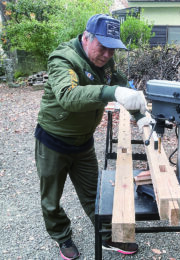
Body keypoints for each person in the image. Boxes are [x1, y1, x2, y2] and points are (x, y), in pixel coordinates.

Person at [34, 14, 151, 260]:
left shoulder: (105, 60)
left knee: (94, 194)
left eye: (112, 49)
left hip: (83, 143)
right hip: (53, 141)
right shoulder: (63, 58)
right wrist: (112, 91)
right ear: (87, 38)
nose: (108, 54)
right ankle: (61, 235)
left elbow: (119, 84)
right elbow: (68, 95)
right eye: (103, 47)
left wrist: (140, 115)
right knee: (51, 199)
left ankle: (107, 233)